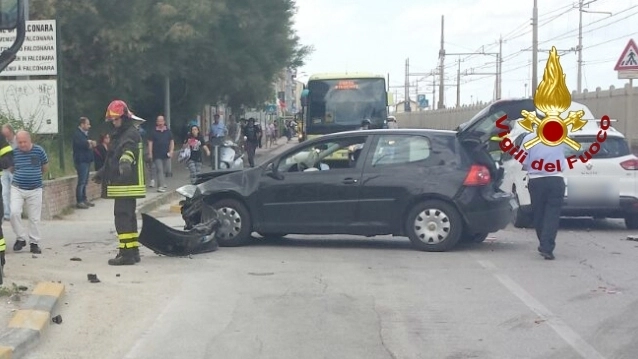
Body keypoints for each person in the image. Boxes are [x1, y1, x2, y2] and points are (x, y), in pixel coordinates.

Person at [94, 100, 146, 266]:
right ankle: (133, 251)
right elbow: (112, 158)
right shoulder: (125, 133)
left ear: (124, 117)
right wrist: (103, 173)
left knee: (122, 218)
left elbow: (127, 151)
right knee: (129, 218)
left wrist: (125, 164)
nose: (114, 123)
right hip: (126, 183)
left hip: (125, 183)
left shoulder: (129, 134)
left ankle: (126, 254)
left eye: (116, 120)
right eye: (113, 120)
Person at [521, 132, 567, 260]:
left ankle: (544, 243)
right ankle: (547, 246)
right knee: (552, 215)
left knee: (538, 214)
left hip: (536, 180)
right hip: (556, 179)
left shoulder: (529, 138)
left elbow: (524, 161)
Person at [10, 131, 48, 255]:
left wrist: (34, 176)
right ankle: (20, 238)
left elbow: (45, 167)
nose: (22, 145)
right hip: (17, 188)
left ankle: (34, 243)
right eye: (19, 142)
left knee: (34, 218)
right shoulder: (14, 152)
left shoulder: (39, 151)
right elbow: (11, 168)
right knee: (14, 212)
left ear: (29, 140)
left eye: (24, 142)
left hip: (35, 189)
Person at [72, 117, 97, 209]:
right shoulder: (77, 134)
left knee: (85, 181)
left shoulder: (85, 135)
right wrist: (89, 143)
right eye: (87, 124)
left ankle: (84, 199)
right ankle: (80, 201)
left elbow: (91, 145)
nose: (89, 126)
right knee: (81, 181)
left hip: (87, 160)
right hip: (81, 161)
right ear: (82, 124)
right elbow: (83, 145)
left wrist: (90, 143)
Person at [148, 115, 174, 193]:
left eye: (161, 121)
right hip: (156, 154)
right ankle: (160, 186)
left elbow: (171, 141)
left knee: (163, 170)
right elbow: (150, 143)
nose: (160, 123)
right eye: (158, 121)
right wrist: (150, 153)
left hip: (166, 154)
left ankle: (162, 183)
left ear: (164, 122)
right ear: (156, 122)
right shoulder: (153, 132)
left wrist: (171, 151)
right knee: (159, 169)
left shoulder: (168, 131)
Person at [1, 124, 16, 221]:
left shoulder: (17, 141)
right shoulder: (3, 140)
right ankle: (6, 214)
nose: (6, 136)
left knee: (14, 192)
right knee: (4, 192)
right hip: (4, 171)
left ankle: (15, 213)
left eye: (7, 134)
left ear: (11, 132)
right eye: (4, 134)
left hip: (14, 170)